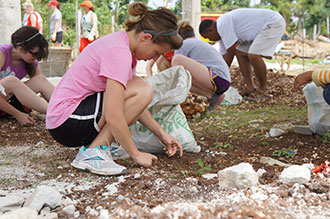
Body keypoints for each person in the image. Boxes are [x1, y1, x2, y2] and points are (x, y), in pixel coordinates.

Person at [46, 2, 184, 176]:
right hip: (68, 120)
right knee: (143, 89)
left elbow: (131, 103)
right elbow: (114, 113)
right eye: (157, 52)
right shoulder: (119, 52)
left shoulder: (123, 45)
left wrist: (161, 133)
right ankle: (94, 152)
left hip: (69, 119)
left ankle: (97, 147)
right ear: (146, 37)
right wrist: (136, 154)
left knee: (141, 89)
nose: (155, 58)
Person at [199, 8, 286, 99]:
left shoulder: (222, 24)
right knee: (240, 53)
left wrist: (219, 77)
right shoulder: (221, 31)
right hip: (262, 28)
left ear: (210, 30)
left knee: (254, 55)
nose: (210, 40)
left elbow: (230, 53)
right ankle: (250, 88)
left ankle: (263, 89)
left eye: (207, 37)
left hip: (273, 23)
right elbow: (224, 58)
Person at [0, 26, 55, 126]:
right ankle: (56, 113)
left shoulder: (29, 61)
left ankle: (66, 108)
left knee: (40, 80)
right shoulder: (2, 54)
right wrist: (17, 114)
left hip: (9, 100)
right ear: (20, 49)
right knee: (11, 81)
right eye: (34, 54)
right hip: (3, 102)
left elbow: (41, 84)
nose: (36, 59)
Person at [171, 21, 230, 111]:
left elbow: (174, 69)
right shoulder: (197, 43)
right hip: (222, 81)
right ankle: (211, 96)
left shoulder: (184, 44)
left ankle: (209, 95)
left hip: (217, 78)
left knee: (177, 60)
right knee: (184, 77)